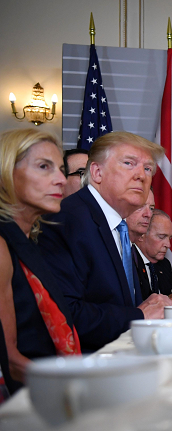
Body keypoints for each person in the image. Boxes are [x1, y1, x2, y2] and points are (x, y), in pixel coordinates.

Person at [38, 131, 172, 352]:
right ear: (97, 172)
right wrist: (138, 315)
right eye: (129, 163)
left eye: (148, 168)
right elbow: (65, 316)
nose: (141, 175)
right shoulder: (68, 219)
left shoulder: (117, 224)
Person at [0, 129, 81, 392]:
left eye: (60, 169)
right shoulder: (2, 246)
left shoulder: (28, 240)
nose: (60, 179)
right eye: (44, 167)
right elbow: (8, 361)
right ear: (6, 172)